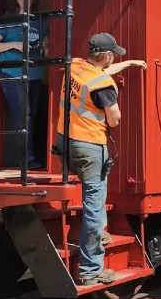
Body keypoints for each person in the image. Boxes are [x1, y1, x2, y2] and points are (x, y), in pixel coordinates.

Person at [54, 33, 146, 286]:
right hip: (89, 146)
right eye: (114, 54)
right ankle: (91, 269)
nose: (114, 57)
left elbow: (102, 72)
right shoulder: (103, 86)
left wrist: (130, 63)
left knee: (99, 186)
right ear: (105, 55)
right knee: (94, 204)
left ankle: (100, 236)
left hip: (65, 141)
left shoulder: (74, 66)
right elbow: (114, 120)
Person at [0, 0, 47, 170]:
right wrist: (15, 44)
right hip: (11, 72)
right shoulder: (8, 21)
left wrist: (47, 47)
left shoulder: (42, 21)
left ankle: (32, 156)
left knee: (33, 115)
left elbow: (47, 48)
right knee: (24, 114)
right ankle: (26, 159)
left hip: (35, 74)